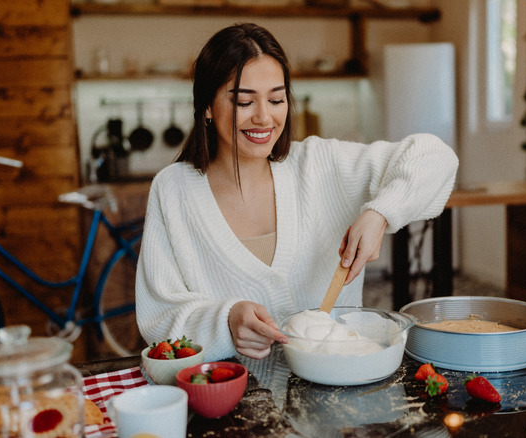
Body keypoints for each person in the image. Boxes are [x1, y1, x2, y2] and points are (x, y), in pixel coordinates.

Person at [135, 23, 458, 362]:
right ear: (207, 107)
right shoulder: (173, 190)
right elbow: (160, 320)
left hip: (337, 390)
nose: (264, 117)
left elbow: (435, 157)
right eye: (245, 101)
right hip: (231, 397)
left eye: (276, 99)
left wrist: (381, 213)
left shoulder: (319, 165)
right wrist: (226, 320)